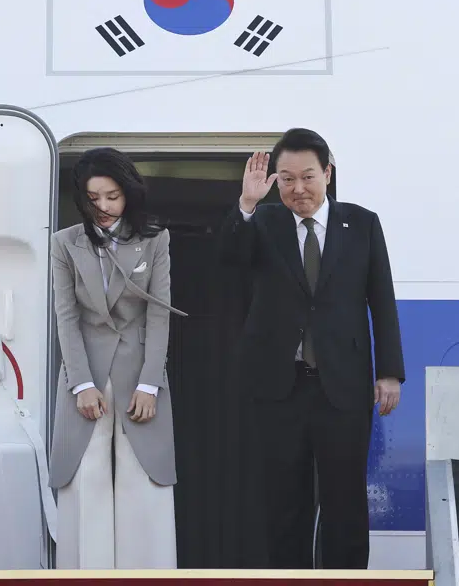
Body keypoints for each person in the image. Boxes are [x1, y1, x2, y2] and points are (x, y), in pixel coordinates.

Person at [217, 128, 405, 570]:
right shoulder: (262, 222)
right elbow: (228, 263)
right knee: (284, 500)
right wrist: (246, 204)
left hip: (343, 384)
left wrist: (389, 371)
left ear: (327, 173)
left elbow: (382, 298)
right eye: (285, 179)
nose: (297, 188)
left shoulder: (361, 223)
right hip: (280, 387)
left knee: (345, 499)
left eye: (307, 176)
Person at [48, 147, 187, 569]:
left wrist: (150, 383)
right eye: (94, 198)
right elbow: (66, 317)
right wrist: (81, 383)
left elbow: (159, 313)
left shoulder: (154, 238)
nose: (104, 207)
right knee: (84, 477)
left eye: (112, 196)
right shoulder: (64, 243)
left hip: (140, 372)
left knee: (143, 477)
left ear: (127, 193)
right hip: (83, 373)